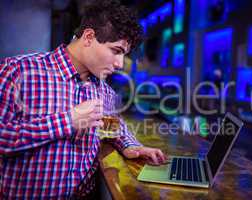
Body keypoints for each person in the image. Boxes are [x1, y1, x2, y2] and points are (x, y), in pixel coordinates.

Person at [0, 0, 167, 199]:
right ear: (89, 37)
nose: (120, 64)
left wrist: (132, 146)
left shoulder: (104, 90)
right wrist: (67, 121)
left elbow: (114, 126)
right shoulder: (18, 71)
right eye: (116, 51)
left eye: (124, 54)